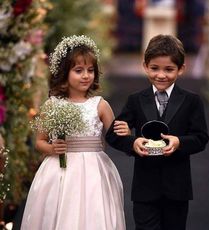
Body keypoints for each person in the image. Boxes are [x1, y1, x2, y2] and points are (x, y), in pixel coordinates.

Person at [21, 35, 129, 230]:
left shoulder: (101, 105)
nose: (86, 76)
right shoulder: (52, 105)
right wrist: (53, 148)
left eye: (90, 70)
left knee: (93, 216)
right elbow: (39, 141)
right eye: (79, 70)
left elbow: (115, 136)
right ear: (64, 73)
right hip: (60, 171)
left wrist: (125, 131)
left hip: (94, 171)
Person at [106, 34, 209, 230]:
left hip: (177, 188)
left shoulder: (191, 101)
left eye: (169, 69)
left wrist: (179, 142)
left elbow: (201, 138)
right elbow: (113, 134)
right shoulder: (136, 100)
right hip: (145, 188)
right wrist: (132, 142)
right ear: (145, 66)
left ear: (181, 69)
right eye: (154, 68)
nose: (161, 75)